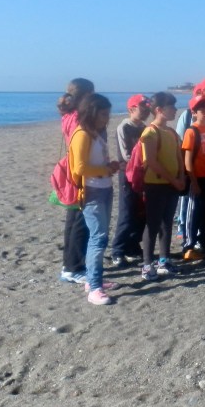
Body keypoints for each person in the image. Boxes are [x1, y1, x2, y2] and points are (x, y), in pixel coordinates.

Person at [68, 94, 121, 305]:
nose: (106, 118)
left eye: (108, 114)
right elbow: (79, 168)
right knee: (98, 238)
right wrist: (104, 170)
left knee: (98, 237)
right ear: (91, 112)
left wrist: (109, 168)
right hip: (91, 192)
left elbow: (95, 162)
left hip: (104, 188)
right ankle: (94, 287)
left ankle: (93, 280)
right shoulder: (82, 134)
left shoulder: (96, 133)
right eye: (103, 114)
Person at [140, 92, 185, 281]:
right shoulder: (150, 132)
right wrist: (173, 179)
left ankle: (164, 260)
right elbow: (151, 161)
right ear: (159, 110)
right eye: (171, 107)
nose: (175, 110)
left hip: (172, 184)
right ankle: (147, 264)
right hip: (155, 184)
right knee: (152, 224)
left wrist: (182, 176)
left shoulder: (172, 132)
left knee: (167, 223)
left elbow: (179, 157)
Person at [59, 78, 95, 284]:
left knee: (73, 219)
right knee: (80, 221)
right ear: (85, 95)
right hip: (79, 172)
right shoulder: (77, 118)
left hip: (72, 170)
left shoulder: (68, 114)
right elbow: (80, 147)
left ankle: (69, 265)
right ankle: (74, 266)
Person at [110, 94, 151, 266]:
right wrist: (144, 161)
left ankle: (132, 246)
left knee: (141, 212)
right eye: (143, 107)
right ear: (132, 108)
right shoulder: (124, 127)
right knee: (127, 212)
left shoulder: (145, 128)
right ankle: (117, 249)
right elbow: (126, 154)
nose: (146, 110)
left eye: (147, 107)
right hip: (127, 174)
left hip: (143, 174)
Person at [181, 95, 205, 260]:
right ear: (194, 112)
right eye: (202, 111)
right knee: (194, 213)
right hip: (198, 178)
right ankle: (188, 246)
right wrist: (194, 182)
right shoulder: (192, 131)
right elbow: (187, 160)